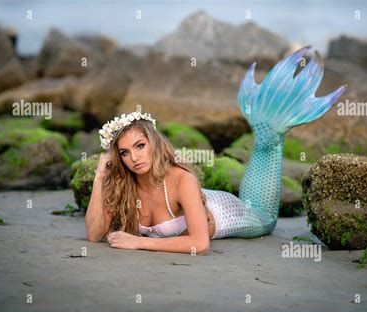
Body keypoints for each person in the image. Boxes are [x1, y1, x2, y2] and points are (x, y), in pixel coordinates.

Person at [84, 46, 345, 254]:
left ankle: (271, 130)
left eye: (140, 146)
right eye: (124, 152)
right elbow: (95, 235)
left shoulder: (182, 179)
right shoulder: (121, 183)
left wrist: (138, 242)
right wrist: (99, 177)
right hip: (200, 200)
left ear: (155, 143)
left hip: (227, 210)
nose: (134, 158)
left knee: (263, 216)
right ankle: (267, 129)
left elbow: (200, 244)